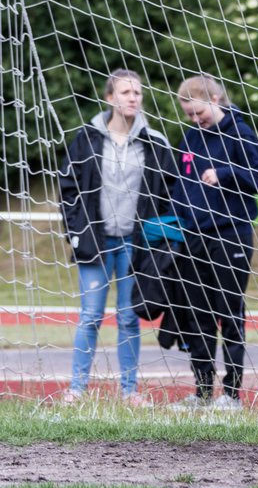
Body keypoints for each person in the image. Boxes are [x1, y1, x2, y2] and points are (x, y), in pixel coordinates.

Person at [57, 68, 177, 405]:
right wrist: (74, 231)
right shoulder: (86, 138)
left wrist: (161, 239)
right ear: (110, 98)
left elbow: (169, 193)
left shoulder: (156, 143)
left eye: (137, 93)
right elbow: (68, 188)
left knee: (128, 316)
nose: (133, 98)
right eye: (125, 92)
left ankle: (129, 392)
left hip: (134, 245)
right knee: (91, 315)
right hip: (95, 242)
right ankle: (77, 389)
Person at [168, 74, 258, 412]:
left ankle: (232, 395)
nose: (195, 120)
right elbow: (181, 186)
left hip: (230, 236)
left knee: (229, 314)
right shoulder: (190, 138)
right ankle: (201, 393)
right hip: (194, 238)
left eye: (198, 112)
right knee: (197, 315)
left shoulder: (240, 134)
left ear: (215, 99)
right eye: (189, 115)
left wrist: (225, 172)